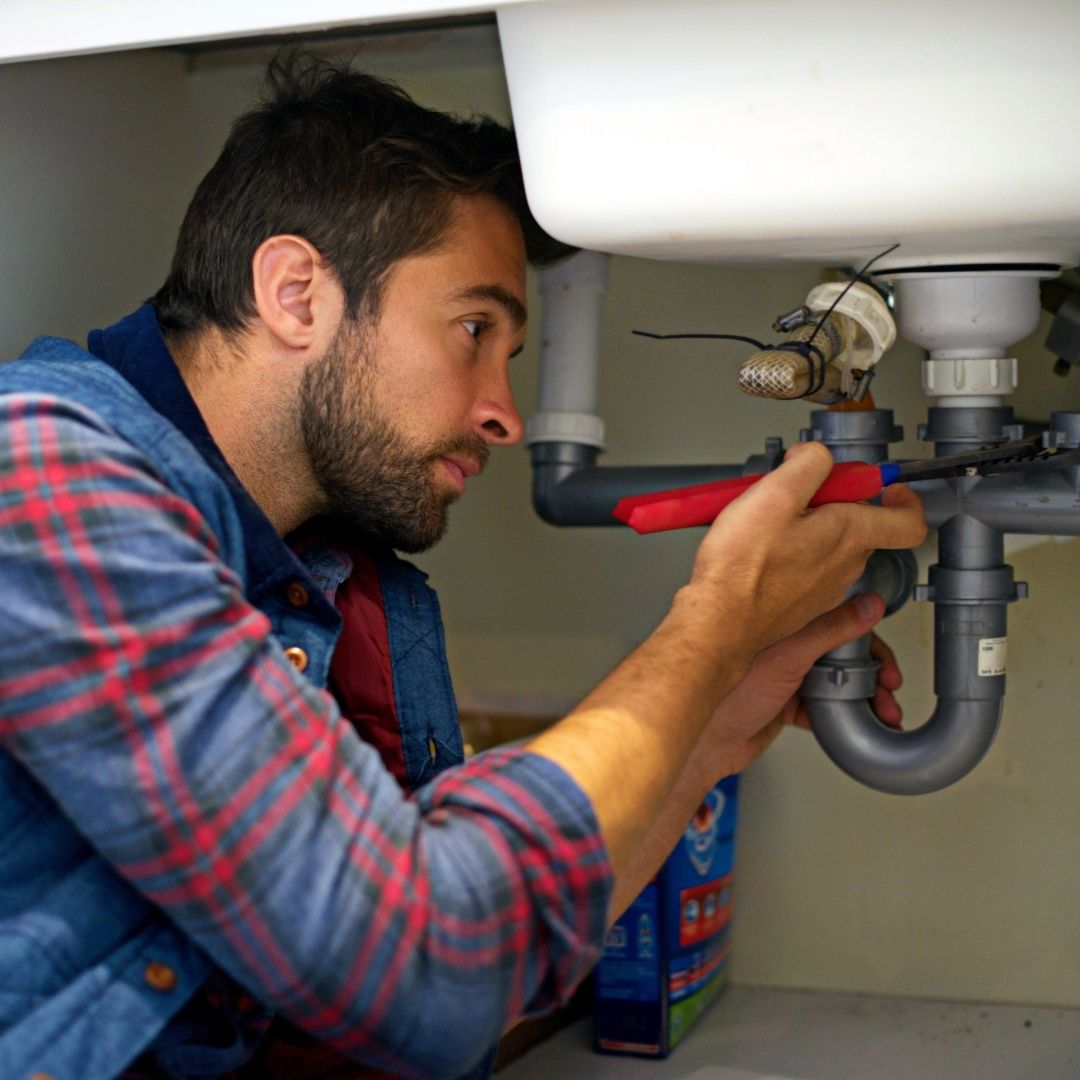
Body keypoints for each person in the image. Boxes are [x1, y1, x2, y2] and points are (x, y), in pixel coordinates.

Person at [0, 52, 926, 1080]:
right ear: (297, 293)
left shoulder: (335, 582)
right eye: (474, 329)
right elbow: (425, 968)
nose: (503, 412)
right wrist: (712, 624)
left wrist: (710, 731)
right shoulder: (42, 467)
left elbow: (473, 928)